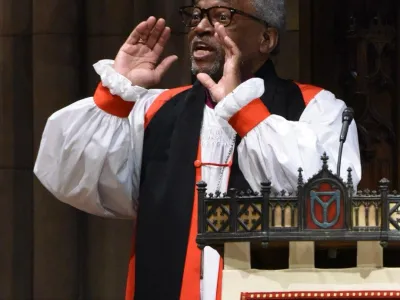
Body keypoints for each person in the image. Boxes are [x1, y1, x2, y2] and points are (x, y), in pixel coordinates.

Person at [34, 0, 362, 299]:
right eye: (195, 15)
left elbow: (326, 207)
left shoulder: (315, 108)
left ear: (267, 40)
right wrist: (115, 95)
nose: (201, 27)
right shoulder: (155, 111)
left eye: (222, 16)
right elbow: (69, 176)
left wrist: (245, 114)